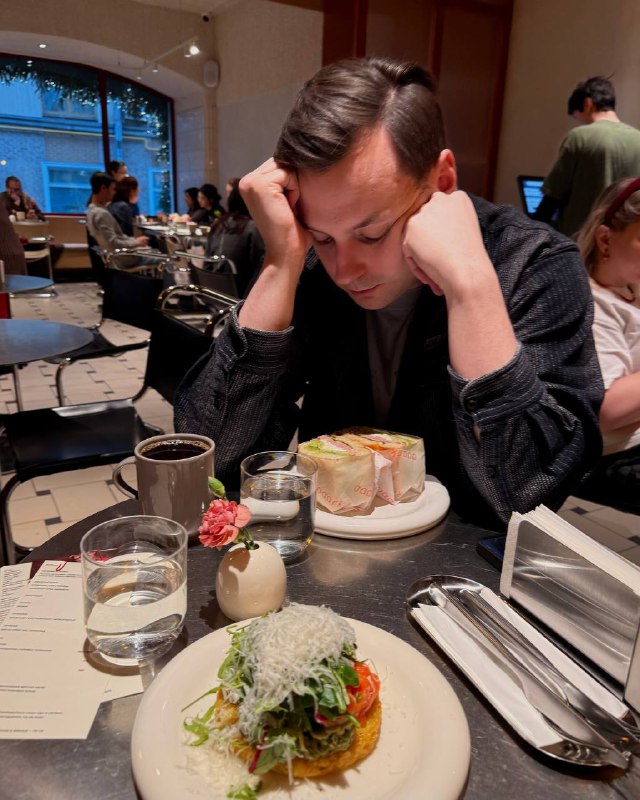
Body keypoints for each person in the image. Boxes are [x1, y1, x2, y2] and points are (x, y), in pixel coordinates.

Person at [174, 57, 604, 528]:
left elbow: (527, 496)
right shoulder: (310, 264)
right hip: (330, 543)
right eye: (323, 236)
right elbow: (210, 461)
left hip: (468, 558)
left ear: (442, 182)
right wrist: (281, 263)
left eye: (373, 234)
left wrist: (470, 287)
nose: (344, 271)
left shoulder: (534, 263)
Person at [573, 177, 640, 514]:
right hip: (617, 458)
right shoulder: (594, 303)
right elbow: (607, 409)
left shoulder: (629, 289)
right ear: (604, 239)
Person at [535, 76, 640, 238]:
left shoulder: (579, 137)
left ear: (587, 104)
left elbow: (553, 198)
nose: (578, 123)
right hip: (621, 241)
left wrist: (531, 231)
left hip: (580, 241)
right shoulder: (637, 138)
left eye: (577, 117)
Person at [204, 183, 264, 295]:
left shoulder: (218, 224)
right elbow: (260, 265)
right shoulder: (252, 227)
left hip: (211, 289)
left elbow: (207, 261)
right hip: (238, 292)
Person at [86, 172, 150, 269]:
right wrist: (136, 243)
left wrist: (135, 241)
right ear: (103, 188)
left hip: (115, 258)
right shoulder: (102, 214)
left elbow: (116, 238)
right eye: (112, 189)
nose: (114, 192)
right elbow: (113, 243)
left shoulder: (92, 211)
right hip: (123, 259)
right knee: (167, 259)